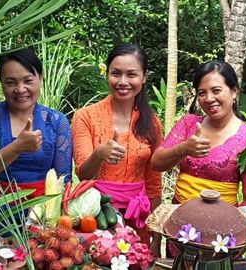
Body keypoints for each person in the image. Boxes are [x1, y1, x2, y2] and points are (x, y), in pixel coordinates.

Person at [0, 48, 73, 233]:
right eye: (10, 82)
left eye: (28, 80)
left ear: (40, 78)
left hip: (38, 217)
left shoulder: (56, 122)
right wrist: (17, 148)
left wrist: (46, 216)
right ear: (1, 83)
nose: (20, 89)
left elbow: (63, 180)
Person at [71, 44, 162, 256]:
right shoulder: (85, 117)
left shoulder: (152, 123)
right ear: (107, 74)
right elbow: (83, 174)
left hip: (139, 216)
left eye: (131, 74)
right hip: (97, 215)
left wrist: (156, 239)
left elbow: (154, 182)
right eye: (116, 73)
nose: (123, 82)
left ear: (144, 77)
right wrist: (99, 154)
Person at [151, 60, 246, 206]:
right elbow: (156, 163)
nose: (209, 99)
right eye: (202, 93)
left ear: (234, 92)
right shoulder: (189, 123)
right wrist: (183, 149)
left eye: (216, 90)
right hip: (178, 220)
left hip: (222, 223)